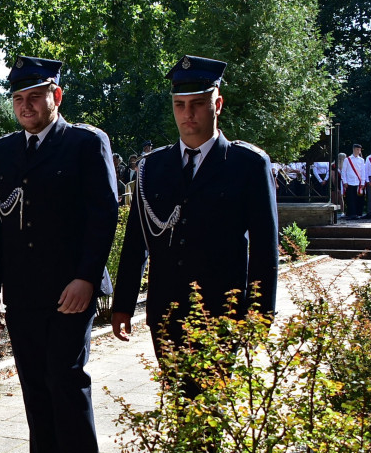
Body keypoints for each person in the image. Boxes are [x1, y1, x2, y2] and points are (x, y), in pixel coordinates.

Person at [0, 56, 118, 453]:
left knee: (66, 379)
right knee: (34, 384)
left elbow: (103, 215)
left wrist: (86, 278)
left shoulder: (84, 143)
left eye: (35, 97)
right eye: (18, 99)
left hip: (69, 289)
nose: (26, 106)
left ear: (55, 96)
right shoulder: (1, 152)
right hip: (22, 290)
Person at [111, 55, 278, 398]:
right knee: (179, 404)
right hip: (166, 309)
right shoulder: (152, 167)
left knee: (208, 408)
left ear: (217, 104)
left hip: (221, 310)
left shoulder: (247, 164)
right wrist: (124, 304)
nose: (187, 115)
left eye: (198, 104)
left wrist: (259, 316)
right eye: (180, 105)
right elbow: (136, 243)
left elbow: (264, 247)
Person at [340, 143, 365, 219]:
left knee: (358, 199)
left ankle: (358, 213)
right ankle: (351, 214)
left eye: (359, 150)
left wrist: (363, 182)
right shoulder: (347, 160)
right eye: (357, 149)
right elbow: (344, 171)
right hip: (350, 182)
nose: (358, 151)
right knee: (350, 199)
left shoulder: (361, 160)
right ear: (353, 149)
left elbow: (363, 171)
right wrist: (345, 181)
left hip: (358, 182)